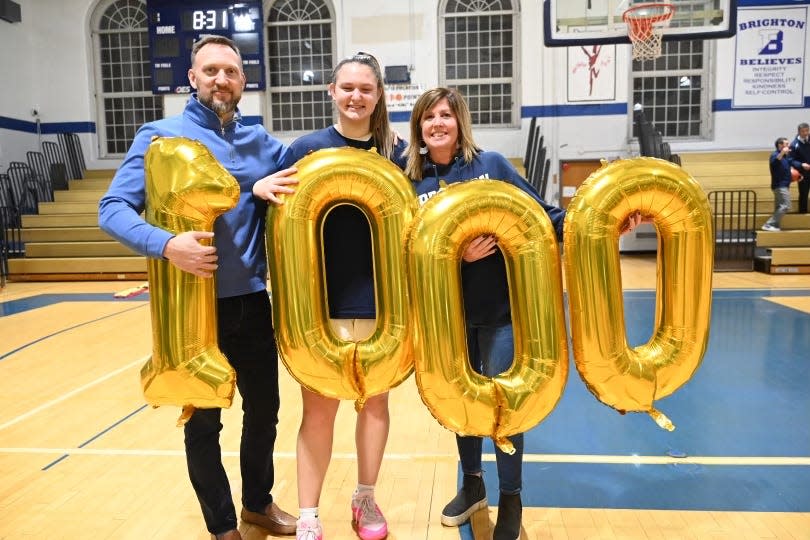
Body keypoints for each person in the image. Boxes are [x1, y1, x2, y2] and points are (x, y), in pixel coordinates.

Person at [403, 87, 642, 540]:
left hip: (498, 311)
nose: (437, 123)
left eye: (446, 115)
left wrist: (603, 221)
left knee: (507, 407)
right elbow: (401, 249)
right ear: (418, 126)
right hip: (444, 321)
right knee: (461, 403)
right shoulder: (408, 179)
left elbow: (543, 215)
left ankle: (510, 497)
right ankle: (472, 485)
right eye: (428, 116)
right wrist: (456, 255)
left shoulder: (489, 166)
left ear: (460, 123)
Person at [98, 35, 298, 540]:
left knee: (265, 414)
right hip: (190, 309)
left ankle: (257, 504)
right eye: (210, 71)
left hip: (252, 302)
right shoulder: (159, 136)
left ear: (243, 81)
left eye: (230, 72)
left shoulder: (262, 143)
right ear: (192, 78)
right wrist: (168, 245)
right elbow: (112, 210)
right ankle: (221, 526)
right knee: (203, 422)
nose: (220, 80)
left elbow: (311, 169)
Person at [253, 52, 405, 540]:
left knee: (375, 406)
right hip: (320, 309)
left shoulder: (396, 153)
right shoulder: (306, 149)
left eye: (366, 88)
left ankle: (365, 498)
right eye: (348, 88)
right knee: (318, 411)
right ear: (332, 92)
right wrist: (255, 189)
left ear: (378, 95)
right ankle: (309, 515)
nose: (356, 96)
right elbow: (274, 214)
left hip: (386, 307)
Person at [762, 137, 792, 231]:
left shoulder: (785, 158)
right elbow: (775, 162)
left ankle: (774, 225)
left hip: (784, 185)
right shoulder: (775, 155)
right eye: (786, 144)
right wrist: (782, 152)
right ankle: (768, 224)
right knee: (786, 205)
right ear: (780, 145)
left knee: (779, 206)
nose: (788, 146)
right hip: (780, 186)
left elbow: (785, 172)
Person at [788, 122, 810, 213]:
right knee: (804, 194)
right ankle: (803, 213)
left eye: (807, 131)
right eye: (803, 131)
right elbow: (790, 160)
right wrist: (801, 165)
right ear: (799, 132)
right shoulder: (794, 144)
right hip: (803, 174)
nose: (805, 133)